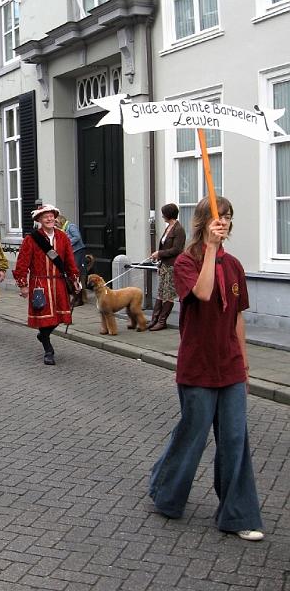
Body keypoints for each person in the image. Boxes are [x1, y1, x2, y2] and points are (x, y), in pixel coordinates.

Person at [149, 196, 263, 541]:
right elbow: (202, 292)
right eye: (217, 216)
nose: (223, 221)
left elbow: (237, 317)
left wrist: (244, 365)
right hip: (197, 366)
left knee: (234, 438)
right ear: (202, 221)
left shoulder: (235, 266)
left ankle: (238, 515)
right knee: (193, 435)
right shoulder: (186, 262)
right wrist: (210, 249)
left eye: (227, 216)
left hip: (229, 367)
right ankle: (166, 491)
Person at [13, 204, 82, 365]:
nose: (50, 219)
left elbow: (69, 261)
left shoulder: (63, 237)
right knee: (44, 318)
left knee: (59, 317)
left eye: (51, 216)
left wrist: (75, 279)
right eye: (46, 217)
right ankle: (48, 349)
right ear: (39, 220)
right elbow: (22, 262)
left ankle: (43, 336)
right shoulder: (31, 239)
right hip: (40, 283)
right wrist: (23, 284)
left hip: (58, 282)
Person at [149, 203, 186, 331]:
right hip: (164, 265)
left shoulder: (179, 230)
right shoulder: (168, 228)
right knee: (160, 292)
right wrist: (159, 259)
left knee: (168, 294)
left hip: (172, 266)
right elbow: (164, 245)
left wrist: (159, 253)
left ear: (169, 214)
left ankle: (162, 321)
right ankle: (154, 319)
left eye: (163, 213)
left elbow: (177, 249)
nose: (162, 216)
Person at [56, 214, 86, 306]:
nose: (55, 224)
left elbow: (77, 237)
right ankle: (75, 296)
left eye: (56, 222)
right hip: (71, 253)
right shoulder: (62, 230)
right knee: (70, 275)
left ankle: (79, 299)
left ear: (61, 221)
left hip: (78, 252)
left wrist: (67, 243)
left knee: (76, 274)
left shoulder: (71, 226)